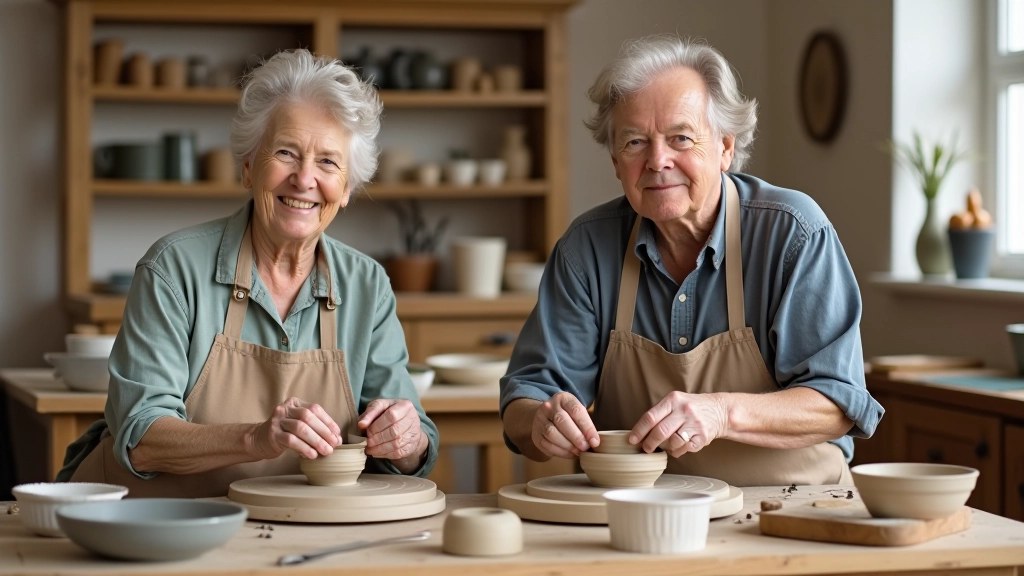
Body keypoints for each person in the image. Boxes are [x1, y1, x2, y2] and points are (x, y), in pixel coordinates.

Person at [500, 35, 882, 486]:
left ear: (724, 148)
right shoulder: (587, 249)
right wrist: (540, 421)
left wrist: (721, 413)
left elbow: (836, 404)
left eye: (681, 138)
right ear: (615, 161)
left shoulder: (793, 233)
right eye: (635, 142)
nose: (658, 161)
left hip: (792, 508)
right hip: (641, 516)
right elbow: (526, 397)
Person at [59, 49, 438, 496]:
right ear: (246, 168)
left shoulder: (367, 285)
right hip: (153, 528)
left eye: (328, 163)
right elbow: (141, 438)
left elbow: (414, 447)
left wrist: (405, 439)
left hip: (287, 533)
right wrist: (256, 438)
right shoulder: (173, 269)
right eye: (285, 153)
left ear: (348, 189)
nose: (304, 179)